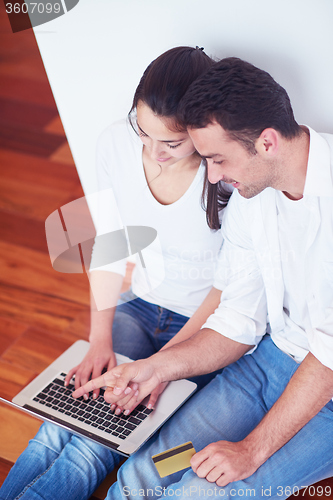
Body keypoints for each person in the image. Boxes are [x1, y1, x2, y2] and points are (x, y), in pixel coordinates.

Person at [75, 57, 333, 499]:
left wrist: (250, 450)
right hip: (267, 365)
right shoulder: (252, 199)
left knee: (200, 491)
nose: (212, 176)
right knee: (145, 473)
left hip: (325, 398)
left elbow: (328, 356)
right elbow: (236, 318)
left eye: (216, 159)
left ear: (267, 142)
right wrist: (154, 370)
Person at [0, 47, 232, 500]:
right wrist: (99, 340)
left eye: (172, 143)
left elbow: (227, 291)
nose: (152, 151)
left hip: (203, 329)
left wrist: (164, 367)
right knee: (60, 423)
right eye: (143, 132)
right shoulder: (113, 142)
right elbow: (108, 244)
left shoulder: (226, 174)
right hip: (140, 305)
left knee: (93, 443)